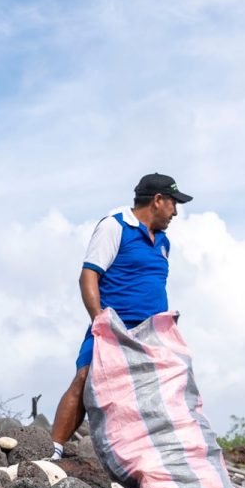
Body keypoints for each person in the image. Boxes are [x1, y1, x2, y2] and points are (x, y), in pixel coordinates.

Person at [50, 173, 193, 459]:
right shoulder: (115, 227)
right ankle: (52, 451)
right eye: (173, 203)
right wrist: (99, 320)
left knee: (153, 395)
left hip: (151, 333)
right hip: (114, 325)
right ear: (157, 200)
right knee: (85, 376)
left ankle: (146, 462)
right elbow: (89, 275)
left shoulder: (163, 243)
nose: (175, 211)